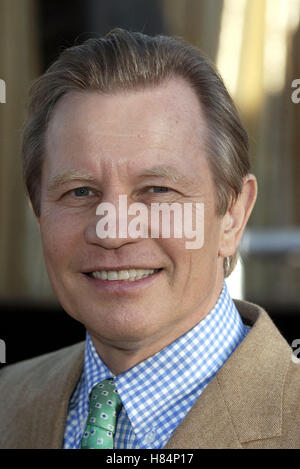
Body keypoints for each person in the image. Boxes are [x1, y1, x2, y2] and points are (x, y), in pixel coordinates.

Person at [0, 28, 299, 449]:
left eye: (157, 190)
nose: (115, 230)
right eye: (80, 192)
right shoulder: (7, 402)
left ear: (232, 214)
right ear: (39, 216)